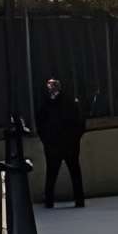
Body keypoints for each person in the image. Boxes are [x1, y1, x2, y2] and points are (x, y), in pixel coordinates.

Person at [35, 74, 89, 208]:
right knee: (73, 172)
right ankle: (78, 200)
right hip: (66, 144)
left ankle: (50, 201)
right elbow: (80, 123)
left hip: (57, 145)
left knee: (53, 174)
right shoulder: (68, 103)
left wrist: (47, 141)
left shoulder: (47, 105)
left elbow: (40, 125)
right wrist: (75, 138)